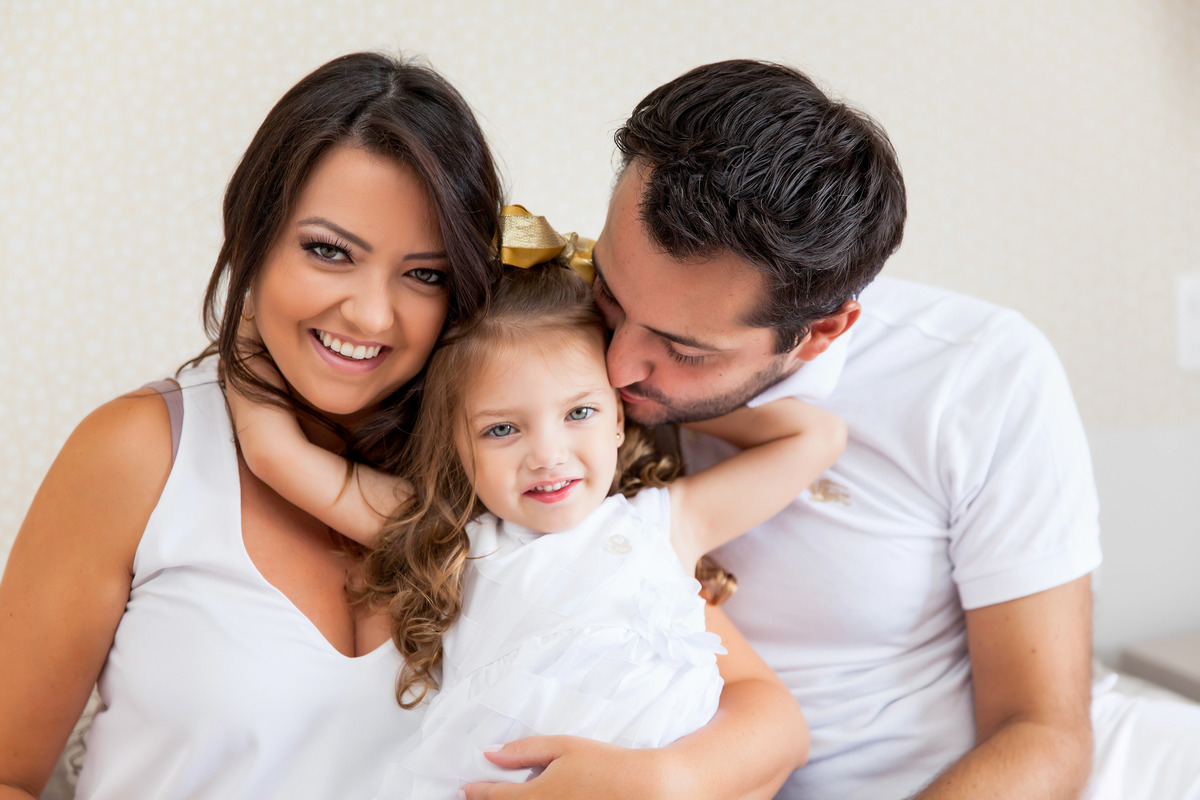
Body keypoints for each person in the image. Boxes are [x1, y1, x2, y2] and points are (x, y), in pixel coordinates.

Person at [0, 54, 805, 800]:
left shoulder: (513, 472)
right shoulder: (145, 451)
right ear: (254, 236)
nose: (370, 314)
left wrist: (658, 779)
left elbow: (764, 715)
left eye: (424, 273)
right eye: (328, 251)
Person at [589, 58, 1200, 800]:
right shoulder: (549, 339)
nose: (615, 366)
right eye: (608, 292)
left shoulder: (976, 373)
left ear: (822, 331)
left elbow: (1044, 732)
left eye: (684, 350)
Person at [228, 227, 844, 794]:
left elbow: (817, 437)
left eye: (579, 412)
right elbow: (275, 455)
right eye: (501, 429)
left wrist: (653, 386)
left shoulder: (665, 525)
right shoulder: (456, 540)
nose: (547, 456)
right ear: (456, 446)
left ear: (619, 417)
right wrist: (250, 317)